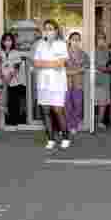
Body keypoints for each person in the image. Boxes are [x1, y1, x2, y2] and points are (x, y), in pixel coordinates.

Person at [33, 20, 71, 150]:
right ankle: (51, 138)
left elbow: (61, 63)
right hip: (43, 82)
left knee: (57, 110)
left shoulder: (61, 44)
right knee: (45, 111)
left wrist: (46, 63)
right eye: (46, 29)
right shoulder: (40, 44)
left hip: (57, 82)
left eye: (50, 28)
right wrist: (52, 63)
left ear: (56, 30)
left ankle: (66, 136)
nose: (48, 31)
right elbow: (36, 63)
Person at [0, 32, 27, 131]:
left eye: (9, 40)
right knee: (3, 102)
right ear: (2, 41)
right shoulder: (0, 52)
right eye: (6, 40)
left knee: (14, 102)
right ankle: (6, 122)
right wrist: (2, 77)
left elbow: (16, 66)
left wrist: (9, 77)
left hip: (14, 81)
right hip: (2, 80)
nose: (8, 42)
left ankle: (14, 122)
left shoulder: (16, 52)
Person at [64, 32, 90, 134]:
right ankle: (68, 124)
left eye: (78, 39)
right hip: (66, 82)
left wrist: (79, 70)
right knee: (67, 104)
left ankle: (75, 123)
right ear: (69, 40)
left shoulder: (83, 54)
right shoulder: (64, 53)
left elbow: (87, 65)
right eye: (74, 39)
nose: (76, 41)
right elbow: (61, 67)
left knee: (78, 103)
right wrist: (75, 70)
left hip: (78, 82)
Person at [94, 30, 111, 130]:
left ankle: (100, 121)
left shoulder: (108, 52)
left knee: (103, 102)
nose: (101, 40)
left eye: (102, 38)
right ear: (96, 40)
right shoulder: (93, 51)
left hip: (106, 80)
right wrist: (105, 69)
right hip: (96, 80)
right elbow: (95, 66)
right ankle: (93, 120)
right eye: (99, 38)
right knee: (95, 101)